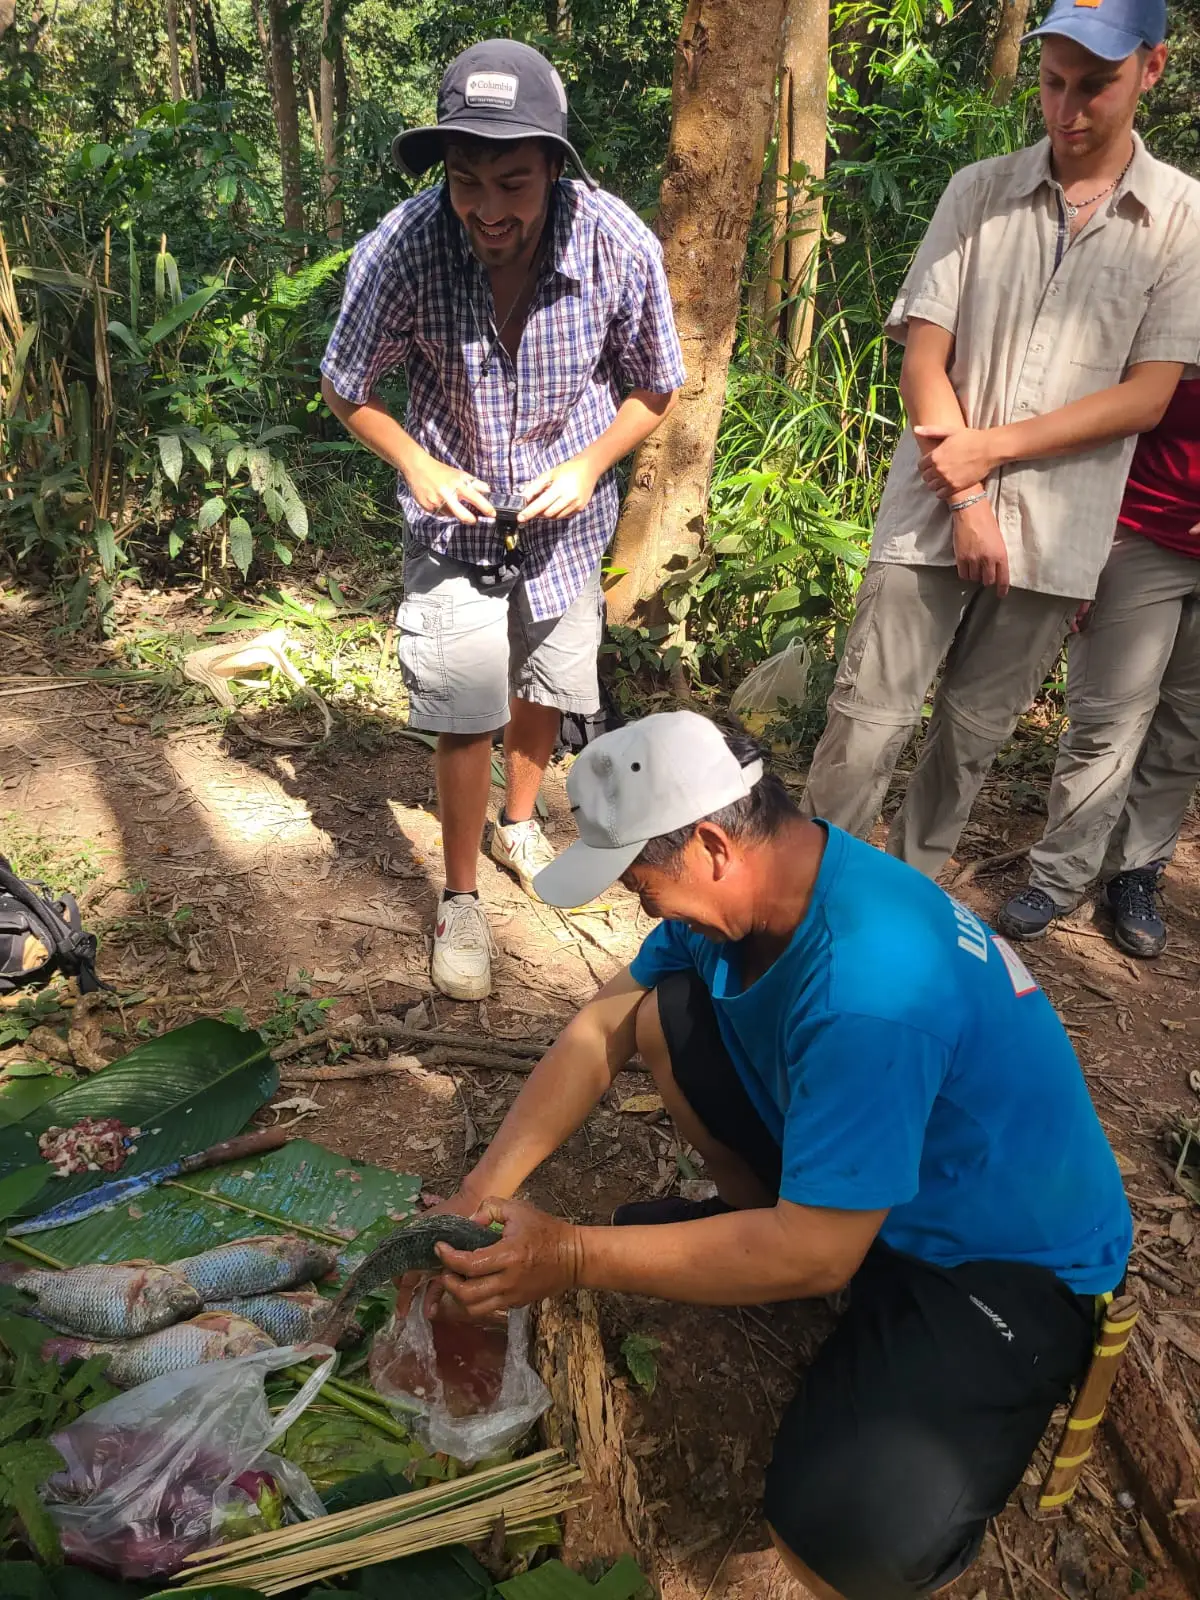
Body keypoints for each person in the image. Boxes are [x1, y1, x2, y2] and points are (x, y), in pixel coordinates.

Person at [414, 711, 1131, 1600]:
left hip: (1002, 1256)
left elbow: (818, 1252)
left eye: (641, 882)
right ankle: (762, 1235)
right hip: (890, 1180)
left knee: (848, 1537)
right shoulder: (774, 884)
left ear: (712, 846)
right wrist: (479, 1189)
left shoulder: (869, 989)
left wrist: (570, 1254)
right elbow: (602, 1025)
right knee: (665, 1014)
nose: (641, 904)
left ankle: (897, 1380)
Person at [320, 39, 685, 1001]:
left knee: (546, 680)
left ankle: (520, 822)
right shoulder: (404, 247)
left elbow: (657, 384)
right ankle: (460, 898)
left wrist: (591, 463)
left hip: (566, 523)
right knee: (464, 706)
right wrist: (418, 463)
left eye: (513, 183)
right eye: (465, 181)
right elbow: (345, 384)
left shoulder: (616, 244)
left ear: (555, 167)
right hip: (454, 526)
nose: (487, 208)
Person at [802, 0, 1200, 878]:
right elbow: (924, 363)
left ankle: (908, 901)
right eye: (1052, 84)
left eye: (1094, 86)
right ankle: (812, 901)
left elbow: (1147, 396)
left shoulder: (1182, 217)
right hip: (932, 508)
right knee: (865, 724)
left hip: (1059, 534)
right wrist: (968, 493)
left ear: (1152, 69)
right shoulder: (978, 191)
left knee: (970, 740)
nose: (1067, 110)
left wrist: (992, 449)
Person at [998, 367, 1200, 957]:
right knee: (1106, 723)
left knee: (1184, 733)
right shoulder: (1173, 317)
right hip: (1140, 534)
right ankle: (1057, 877)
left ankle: (1134, 873)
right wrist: (1081, 555)